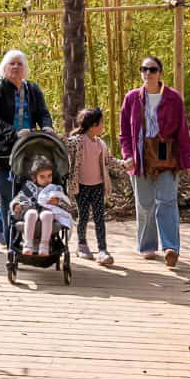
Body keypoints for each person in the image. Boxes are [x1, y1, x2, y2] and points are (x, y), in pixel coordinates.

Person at [119, 55, 190, 268]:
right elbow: (124, 132)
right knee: (144, 204)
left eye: (152, 69)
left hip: (167, 156)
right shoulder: (132, 98)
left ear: (160, 73)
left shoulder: (173, 98)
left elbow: (183, 132)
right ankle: (147, 246)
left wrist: (187, 162)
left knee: (168, 201)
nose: (148, 74)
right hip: (141, 157)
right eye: (144, 69)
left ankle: (171, 247)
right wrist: (128, 155)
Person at [0, 49, 54, 245]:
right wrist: (13, 133)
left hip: (27, 148)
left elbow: (42, 112)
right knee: (8, 194)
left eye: (19, 64)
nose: (15, 67)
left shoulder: (33, 89)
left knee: (23, 192)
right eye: (11, 63)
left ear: (25, 69)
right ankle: (9, 239)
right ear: (4, 68)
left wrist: (47, 126)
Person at [67, 107, 117, 267]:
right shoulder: (78, 141)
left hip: (98, 186)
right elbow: (63, 144)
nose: (103, 126)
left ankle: (103, 250)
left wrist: (125, 164)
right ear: (93, 124)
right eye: (101, 123)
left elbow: (109, 161)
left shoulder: (101, 144)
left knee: (99, 218)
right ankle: (81, 245)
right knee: (83, 216)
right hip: (81, 186)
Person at [11, 156, 72, 255]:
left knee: (47, 215)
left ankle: (44, 245)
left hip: (47, 212)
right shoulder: (29, 188)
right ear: (34, 178)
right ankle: (28, 244)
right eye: (42, 177)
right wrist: (16, 205)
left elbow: (67, 205)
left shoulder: (55, 189)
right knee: (31, 213)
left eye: (49, 176)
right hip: (30, 211)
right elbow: (18, 198)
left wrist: (58, 202)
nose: (47, 179)